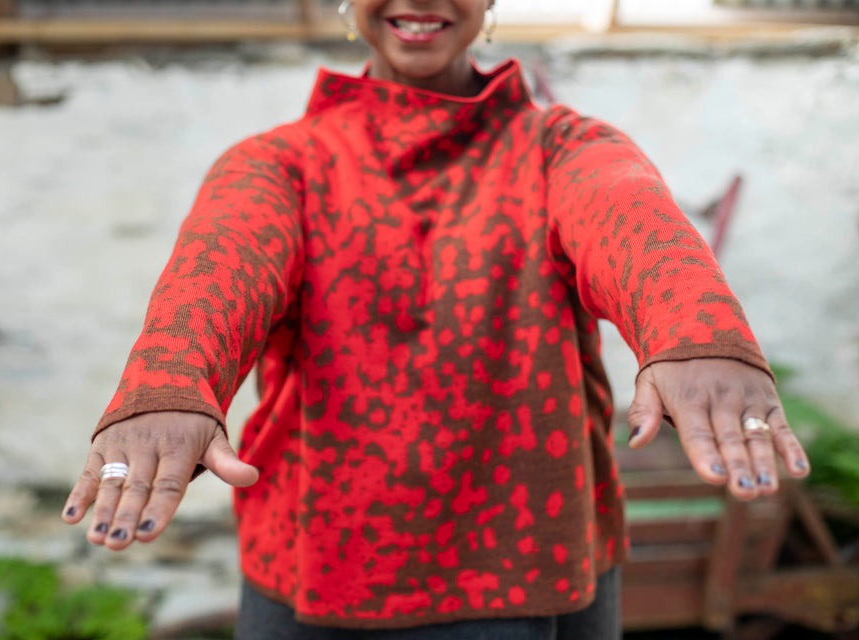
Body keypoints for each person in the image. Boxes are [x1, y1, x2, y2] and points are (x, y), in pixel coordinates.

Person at [61, 1, 812, 638]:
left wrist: (693, 332)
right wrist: (168, 382)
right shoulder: (278, 163)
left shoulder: (563, 147)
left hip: (532, 567)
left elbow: (625, 213)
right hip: (317, 568)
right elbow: (224, 263)